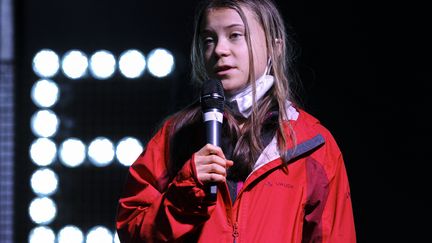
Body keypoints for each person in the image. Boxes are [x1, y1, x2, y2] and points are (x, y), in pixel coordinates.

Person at [116, 0, 356, 242]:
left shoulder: (314, 146)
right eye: (209, 39)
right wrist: (186, 188)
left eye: (235, 35)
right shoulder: (176, 135)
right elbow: (131, 230)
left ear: (275, 46)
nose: (219, 49)